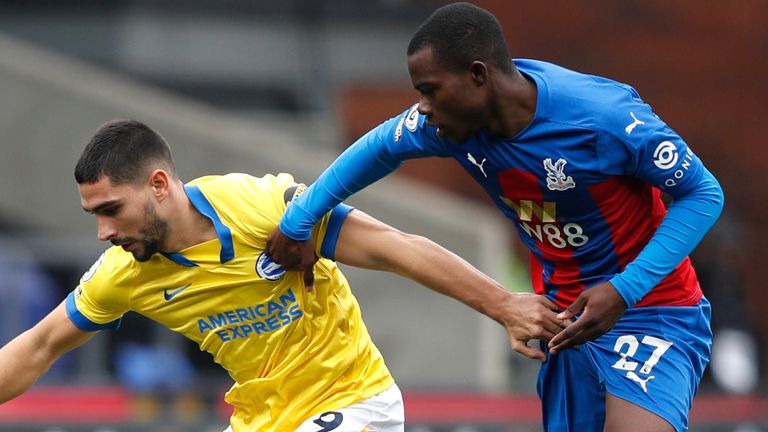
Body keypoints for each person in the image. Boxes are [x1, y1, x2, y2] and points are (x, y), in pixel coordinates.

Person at [266, 3, 725, 431]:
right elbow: (377, 149)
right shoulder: (452, 125)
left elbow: (703, 194)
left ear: (478, 75)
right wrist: (298, 221)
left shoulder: (600, 117)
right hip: (567, 323)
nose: (422, 107)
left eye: (429, 90)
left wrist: (625, 289)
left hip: (653, 308)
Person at [0, 119, 563, 431]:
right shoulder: (121, 274)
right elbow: (41, 345)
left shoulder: (263, 208)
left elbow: (395, 248)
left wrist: (503, 304)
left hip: (355, 401)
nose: (103, 232)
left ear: (159, 185)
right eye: (93, 216)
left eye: (110, 210)